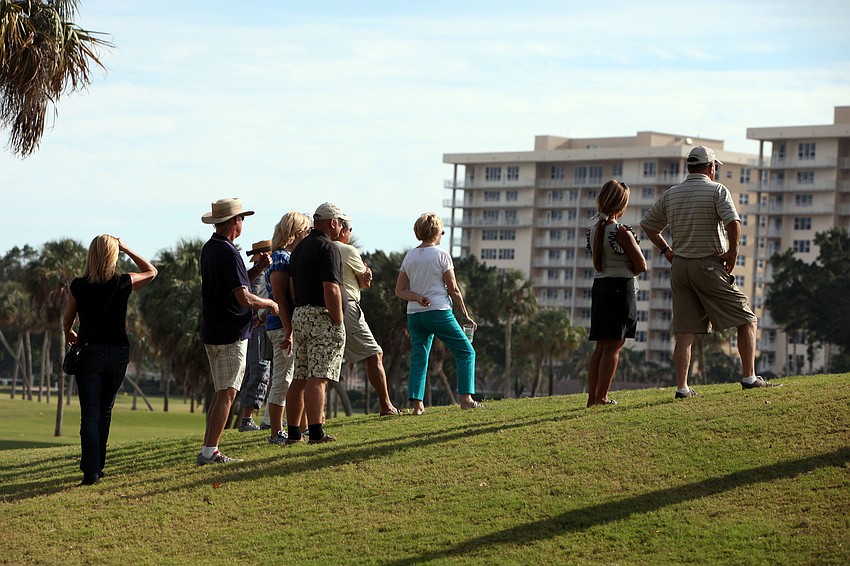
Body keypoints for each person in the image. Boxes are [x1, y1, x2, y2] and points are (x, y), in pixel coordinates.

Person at [641, 146, 780, 399]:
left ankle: (682, 388)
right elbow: (733, 222)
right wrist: (733, 252)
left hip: (680, 267)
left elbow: (649, 225)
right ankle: (749, 378)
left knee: (685, 331)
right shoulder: (717, 190)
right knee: (747, 318)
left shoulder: (671, 193)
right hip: (707, 265)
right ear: (711, 167)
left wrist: (666, 251)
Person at [63, 235, 157, 485]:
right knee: (104, 412)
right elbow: (151, 272)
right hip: (117, 354)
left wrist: (68, 332)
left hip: (90, 354)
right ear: (114, 254)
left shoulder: (79, 285)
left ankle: (90, 471)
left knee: (90, 413)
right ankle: (97, 466)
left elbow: (68, 319)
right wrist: (127, 247)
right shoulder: (122, 282)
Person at [198, 198, 279, 465]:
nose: (242, 222)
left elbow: (235, 282)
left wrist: (259, 268)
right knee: (228, 392)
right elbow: (243, 297)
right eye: (241, 218)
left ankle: (209, 448)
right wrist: (269, 303)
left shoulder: (211, 248)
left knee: (222, 391)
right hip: (231, 331)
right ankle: (210, 451)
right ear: (234, 221)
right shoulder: (228, 251)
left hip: (213, 329)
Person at [394, 212, 481, 415]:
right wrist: (466, 314)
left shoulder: (410, 255)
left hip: (415, 315)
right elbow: (453, 289)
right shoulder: (441, 254)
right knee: (466, 351)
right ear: (436, 233)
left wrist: (416, 297)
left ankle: (417, 406)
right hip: (439, 312)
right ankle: (467, 399)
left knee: (419, 357)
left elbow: (399, 290)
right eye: (442, 230)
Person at [286, 202, 348, 444]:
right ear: (332, 222)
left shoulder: (300, 248)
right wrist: (337, 319)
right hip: (320, 316)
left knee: (300, 376)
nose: (342, 227)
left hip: (300, 314)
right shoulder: (328, 247)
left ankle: (293, 433)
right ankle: (315, 432)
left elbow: (292, 288)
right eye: (341, 223)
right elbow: (331, 288)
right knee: (318, 377)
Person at [585, 180, 647, 407]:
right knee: (614, 346)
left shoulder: (593, 230)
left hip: (600, 287)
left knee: (601, 345)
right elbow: (641, 265)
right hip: (621, 287)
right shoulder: (621, 231)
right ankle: (602, 397)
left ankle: (592, 398)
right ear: (621, 204)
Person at [334, 218, 402, 416]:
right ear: (341, 229)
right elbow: (365, 281)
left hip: (324, 308)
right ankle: (386, 406)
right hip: (348, 307)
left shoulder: (321, 249)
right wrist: (367, 273)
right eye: (350, 229)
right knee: (375, 354)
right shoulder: (347, 250)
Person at [264, 211, 311, 445]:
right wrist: (289, 329)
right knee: (282, 379)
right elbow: (280, 297)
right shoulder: (281, 258)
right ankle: (275, 432)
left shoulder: (284, 256)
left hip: (285, 324)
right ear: (296, 233)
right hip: (282, 325)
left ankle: (296, 427)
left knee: (291, 376)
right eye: (305, 232)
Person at [236, 240, 273, 433]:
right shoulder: (260, 276)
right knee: (259, 370)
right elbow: (255, 303)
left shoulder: (254, 274)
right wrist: (261, 315)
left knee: (258, 371)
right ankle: (247, 419)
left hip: (257, 328)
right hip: (258, 329)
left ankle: (251, 418)